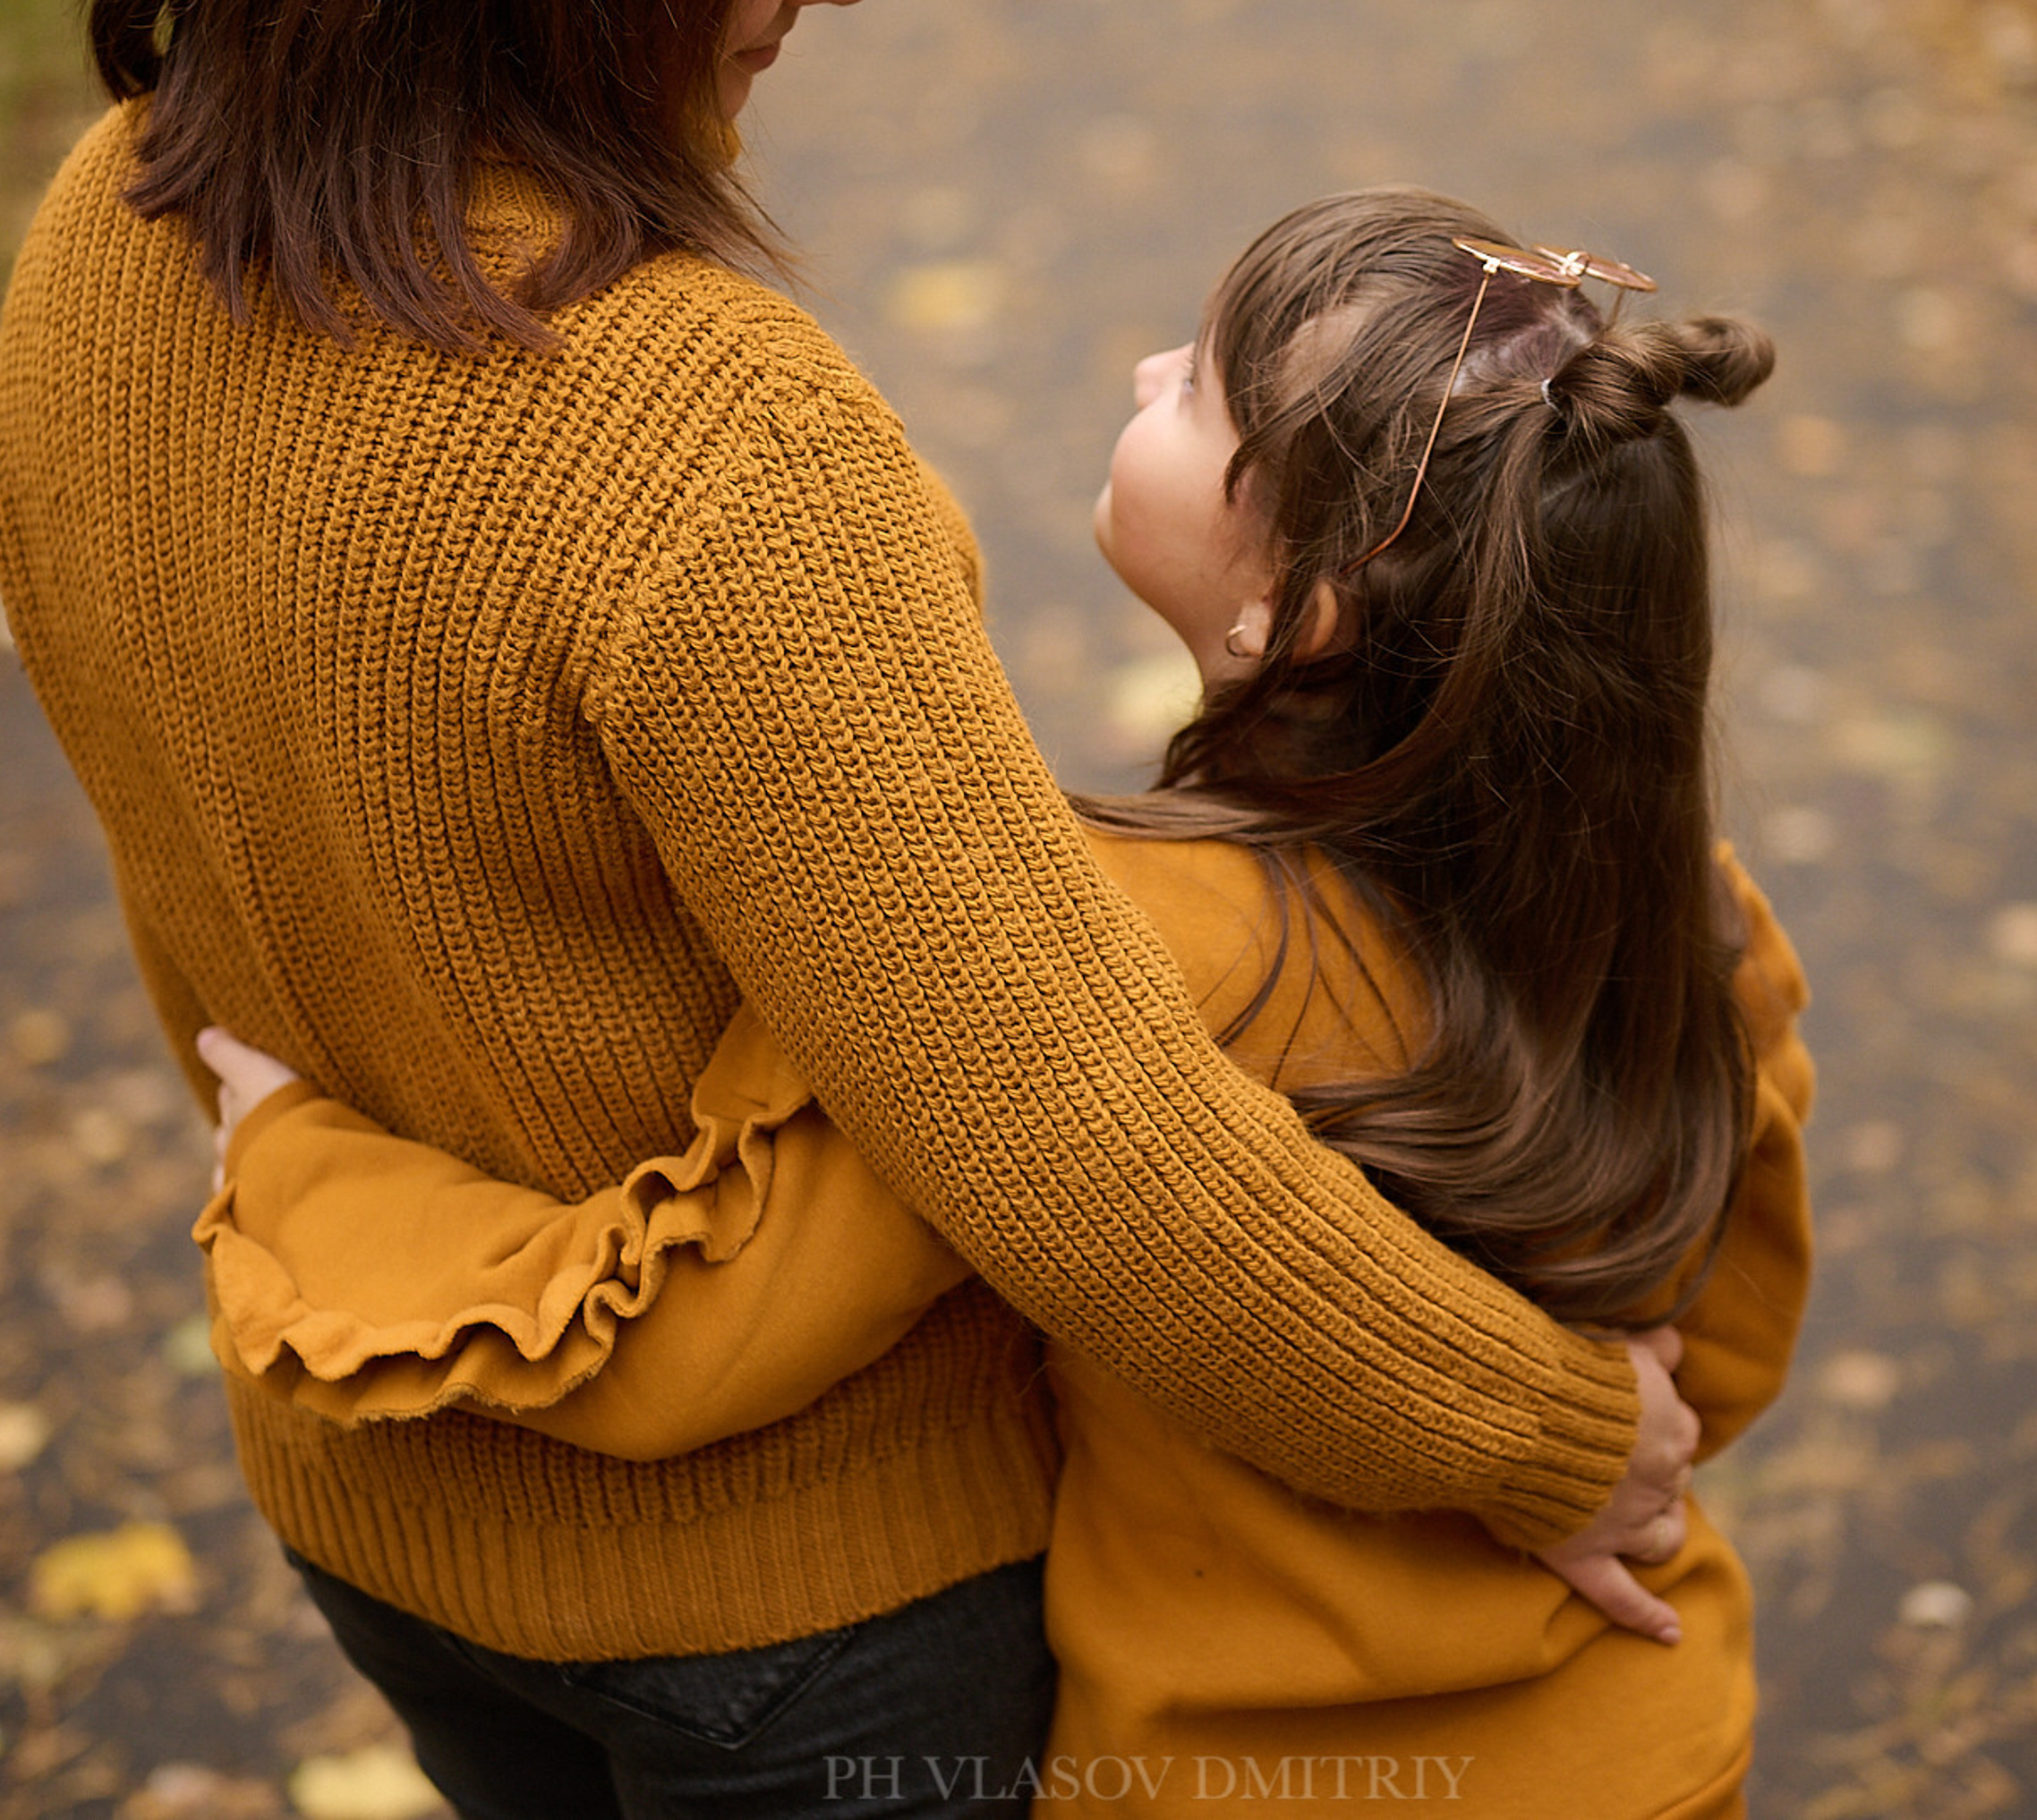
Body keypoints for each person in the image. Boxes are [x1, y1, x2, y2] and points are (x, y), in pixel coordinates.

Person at [0, 0, 1698, 1810]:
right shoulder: (701, 435)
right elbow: (1082, 1147)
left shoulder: (95, 229)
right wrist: (1543, 1432)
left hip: (367, 1489)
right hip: (810, 1628)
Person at [198, 190, 1814, 1818]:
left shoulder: (1106, 949)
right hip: (1658, 1742)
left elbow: (707, 1332)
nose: (1141, 368)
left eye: (1200, 395)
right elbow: (1717, 1365)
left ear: (1303, 610)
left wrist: (301, 1168)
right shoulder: (1700, 923)